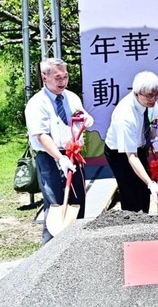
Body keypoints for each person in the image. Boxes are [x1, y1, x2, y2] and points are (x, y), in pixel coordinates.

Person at [25, 58, 94, 244]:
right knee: (55, 204)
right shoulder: (37, 103)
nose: (62, 81)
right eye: (57, 77)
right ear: (44, 77)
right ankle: (50, 252)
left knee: (78, 201)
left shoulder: (71, 97)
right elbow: (41, 135)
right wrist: (60, 158)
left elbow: (78, 117)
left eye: (65, 76)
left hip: (74, 154)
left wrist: (85, 120)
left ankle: (75, 247)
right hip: (50, 156)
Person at [104, 71, 158, 213]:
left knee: (144, 192)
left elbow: (153, 121)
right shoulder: (125, 115)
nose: (154, 99)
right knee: (130, 191)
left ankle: (145, 220)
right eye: (149, 96)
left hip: (140, 146)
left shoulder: (152, 102)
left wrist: (154, 138)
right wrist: (151, 183)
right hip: (120, 153)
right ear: (136, 93)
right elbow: (131, 156)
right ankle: (130, 225)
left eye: (157, 94)